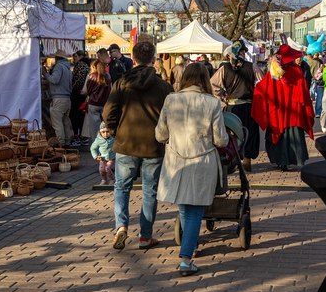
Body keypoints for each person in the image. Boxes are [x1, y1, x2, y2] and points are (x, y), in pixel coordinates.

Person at [155, 63, 228, 276]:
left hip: (176, 160)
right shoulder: (212, 103)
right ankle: (186, 258)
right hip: (202, 160)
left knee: (184, 206)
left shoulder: (171, 99)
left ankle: (191, 244)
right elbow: (221, 139)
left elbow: (160, 134)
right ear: (205, 79)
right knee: (195, 209)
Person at [102, 40, 172, 250]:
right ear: (154, 59)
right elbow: (171, 116)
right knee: (150, 191)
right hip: (153, 145)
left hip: (126, 142)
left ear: (133, 58)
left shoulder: (121, 83)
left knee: (122, 187)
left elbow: (108, 113)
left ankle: (121, 226)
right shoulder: (163, 86)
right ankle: (145, 236)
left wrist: (115, 131)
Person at [252, 44, 315, 171]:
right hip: (294, 114)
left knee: (279, 137)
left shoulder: (273, 73)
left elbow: (262, 88)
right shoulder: (296, 71)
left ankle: (281, 162)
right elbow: (304, 92)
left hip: (278, 113)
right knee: (293, 135)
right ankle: (294, 159)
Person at [210, 41, 258, 171]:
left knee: (233, 134)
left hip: (232, 107)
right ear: (240, 52)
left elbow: (213, 84)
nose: (244, 53)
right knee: (249, 132)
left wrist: (222, 96)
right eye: (243, 51)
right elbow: (262, 81)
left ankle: (236, 158)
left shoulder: (224, 68)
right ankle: (246, 159)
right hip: (248, 106)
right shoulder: (251, 66)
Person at [47, 49, 73, 143]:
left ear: (57, 58)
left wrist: (45, 74)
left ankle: (61, 143)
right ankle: (68, 142)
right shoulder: (68, 68)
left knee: (57, 123)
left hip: (58, 98)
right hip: (67, 98)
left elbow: (54, 80)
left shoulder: (58, 66)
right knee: (65, 122)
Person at [82, 58, 111, 139]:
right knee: (105, 127)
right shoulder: (108, 75)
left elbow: (87, 91)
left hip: (93, 103)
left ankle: (96, 144)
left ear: (94, 67)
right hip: (105, 103)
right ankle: (104, 143)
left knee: (94, 129)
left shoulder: (92, 76)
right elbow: (110, 89)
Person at [70, 50, 91, 145]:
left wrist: (72, 87)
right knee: (82, 115)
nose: (74, 59)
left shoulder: (80, 65)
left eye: (75, 57)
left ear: (79, 56)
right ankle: (84, 136)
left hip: (77, 94)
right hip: (84, 94)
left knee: (75, 115)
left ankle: (77, 136)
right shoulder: (88, 65)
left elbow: (78, 81)